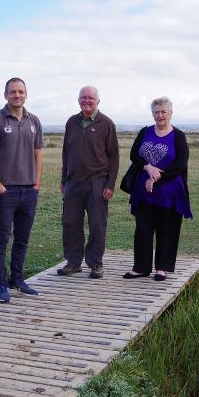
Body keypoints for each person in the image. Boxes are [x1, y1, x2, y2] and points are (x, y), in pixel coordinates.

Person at [0, 77, 44, 303]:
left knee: (23, 238)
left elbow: (38, 154)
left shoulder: (34, 121)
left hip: (29, 190)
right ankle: (0, 284)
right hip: (4, 191)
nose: (17, 95)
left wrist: (37, 183)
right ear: (5, 94)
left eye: (20, 91)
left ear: (26, 94)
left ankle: (17, 279)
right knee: (1, 239)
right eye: (12, 92)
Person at [123, 97, 192, 281]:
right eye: (156, 112)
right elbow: (134, 155)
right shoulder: (145, 131)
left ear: (170, 113)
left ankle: (162, 268)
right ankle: (141, 268)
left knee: (166, 228)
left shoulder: (178, 136)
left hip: (168, 191)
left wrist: (156, 178)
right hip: (143, 191)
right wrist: (148, 167)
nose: (160, 115)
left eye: (163, 111)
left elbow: (179, 164)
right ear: (152, 114)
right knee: (143, 228)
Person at [58, 85, 120, 279]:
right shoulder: (71, 122)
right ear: (78, 101)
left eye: (90, 98)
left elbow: (114, 157)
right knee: (70, 223)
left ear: (98, 102)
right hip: (73, 182)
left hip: (97, 182)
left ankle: (96, 263)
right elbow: (66, 153)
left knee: (97, 224)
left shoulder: (106, 124)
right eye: (83, 98)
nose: (86, 101)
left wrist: (109, 185)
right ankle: (73, 262)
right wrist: (63, 179)